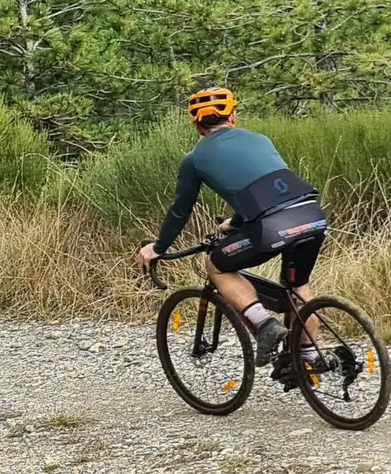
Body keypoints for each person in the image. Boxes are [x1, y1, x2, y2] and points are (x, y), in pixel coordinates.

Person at [134, 87, 328, 371]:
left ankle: (265, 325)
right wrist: (236, 222)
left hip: (270, 225)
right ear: (233, 116)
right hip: (311, 214)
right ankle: (309, 357)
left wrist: (158, 248)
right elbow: (269, 188)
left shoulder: (195, 159)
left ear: (198, 126)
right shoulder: (260, 139)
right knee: (297, 286)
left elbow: (180, 211)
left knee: (217, 266)